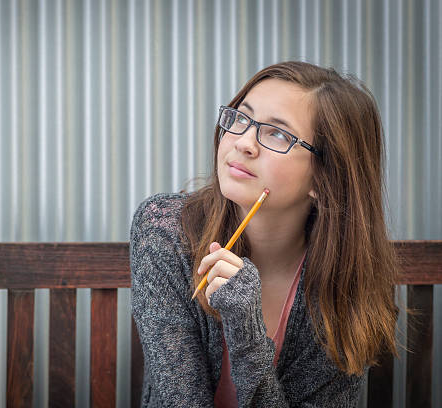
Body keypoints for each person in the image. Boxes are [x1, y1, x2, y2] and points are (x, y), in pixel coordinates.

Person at [129, 61, 400, 407]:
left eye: (278, 134)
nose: (243, 143)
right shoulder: (165, 231)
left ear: (324, 178)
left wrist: (246, 328)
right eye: (242, 118)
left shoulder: (343, 283)